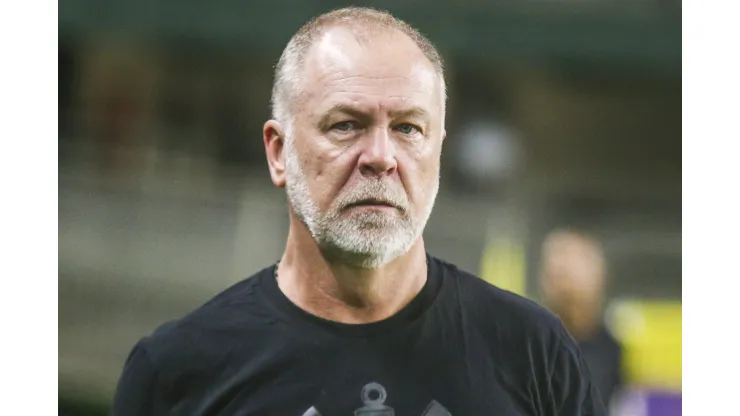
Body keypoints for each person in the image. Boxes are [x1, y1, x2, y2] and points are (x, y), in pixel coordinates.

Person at [112, 8, 606, 415]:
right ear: (279, 152)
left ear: (439, 150)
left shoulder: (533, 352)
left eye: (409, 128)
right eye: (346, 124)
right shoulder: (178, 372)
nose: (381, 156)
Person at [539, 228, 624, 409]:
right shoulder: (529, 344)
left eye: (567, 273)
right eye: (556, 274)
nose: (562, 284)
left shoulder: (611, 352)